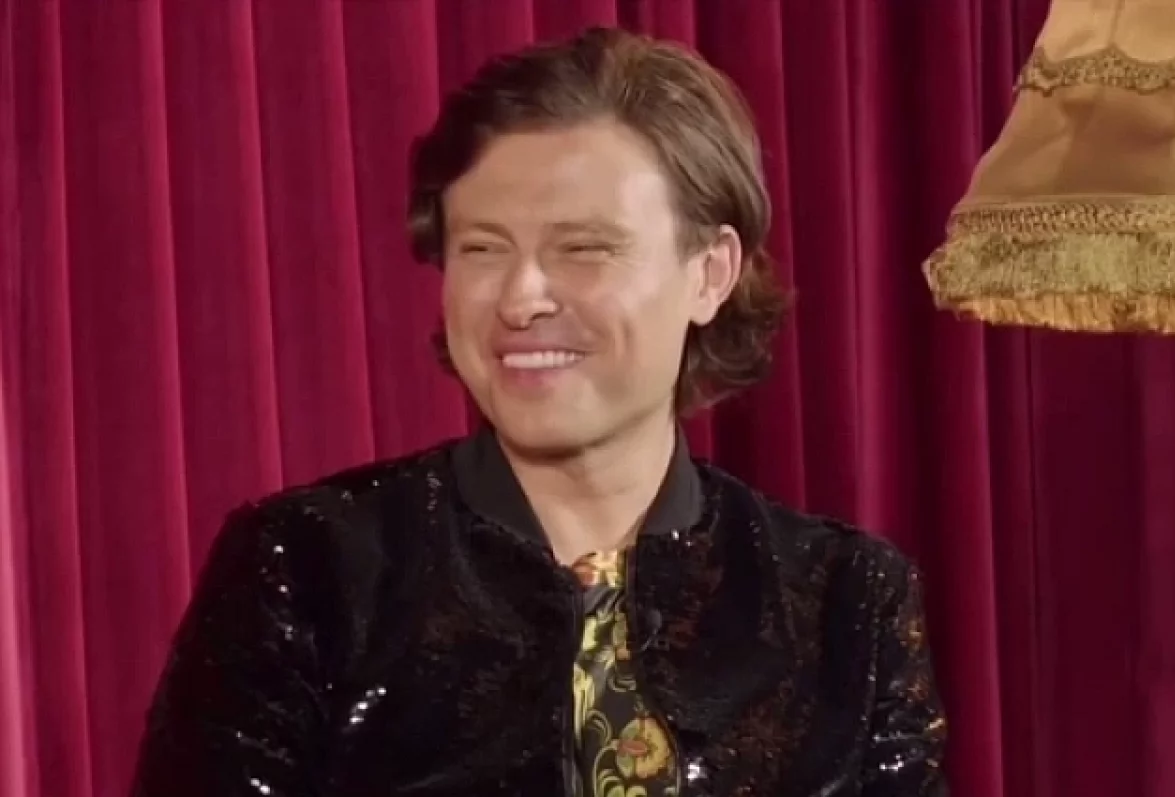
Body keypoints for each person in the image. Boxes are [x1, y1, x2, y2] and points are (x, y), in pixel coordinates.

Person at [130, 26, 947, 797]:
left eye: (583, 248)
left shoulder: (846, 602)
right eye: (482, 248)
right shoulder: (309, 569)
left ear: (710, 273)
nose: (520, 298)